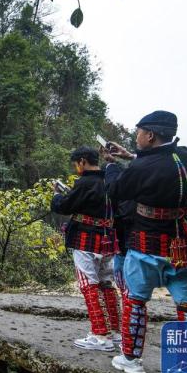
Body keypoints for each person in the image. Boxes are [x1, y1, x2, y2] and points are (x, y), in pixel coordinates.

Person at [103, 111, 187, 373]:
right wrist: (132, 156)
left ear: (150, 135)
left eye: (139, 132)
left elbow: (117, 189)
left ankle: (131, 359)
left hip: (148, 247)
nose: (136, 136)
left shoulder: (142, 169)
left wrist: (111, 167)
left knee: (135, 301)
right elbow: (164, 164)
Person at [51, 147, 120, 352]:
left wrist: (56, 195)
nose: (76, 168)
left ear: (82, 161)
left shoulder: (85, 182)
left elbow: (64, 206)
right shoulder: (111, 180)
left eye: (76, 164)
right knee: (106, 284)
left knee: (88, 284)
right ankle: (115, 332)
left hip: (85, 240)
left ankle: (100, 335)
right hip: (108, 239)